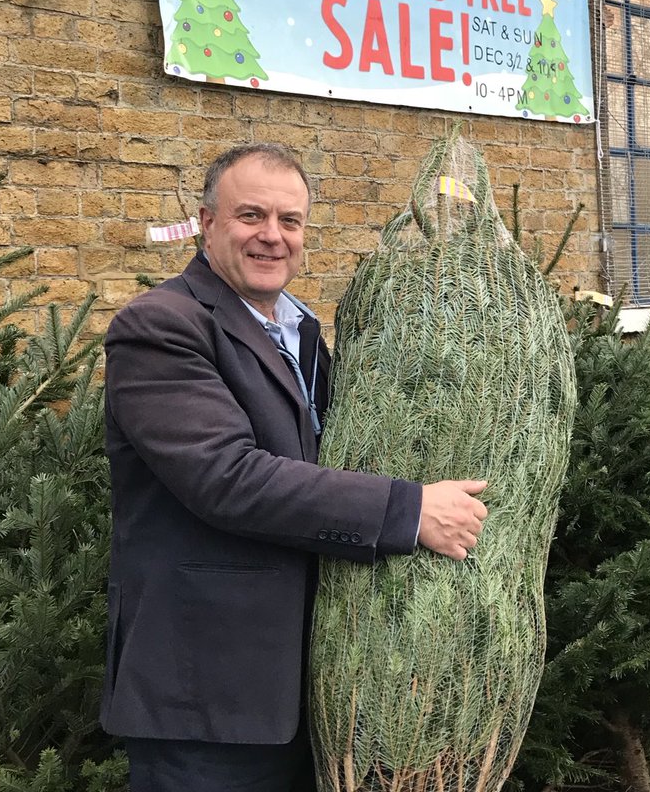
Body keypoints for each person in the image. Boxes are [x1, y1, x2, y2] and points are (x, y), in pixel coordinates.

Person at [100, 142, 488, 792]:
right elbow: (227, 478)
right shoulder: (160, 327)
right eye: (251, 215)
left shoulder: (301, 331)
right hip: (205, 695)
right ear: (207, 222)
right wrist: (408, 508)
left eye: (290, 221)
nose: (272, 237)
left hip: (306, 685)